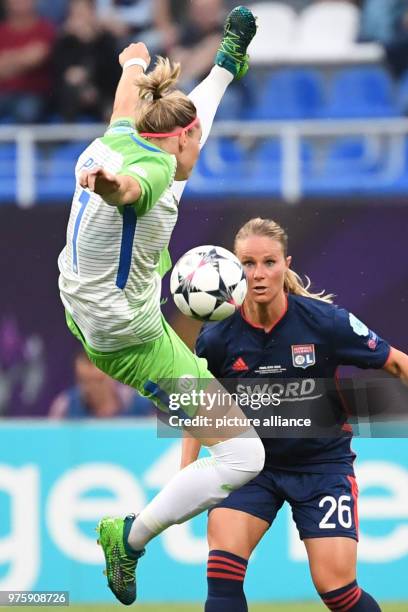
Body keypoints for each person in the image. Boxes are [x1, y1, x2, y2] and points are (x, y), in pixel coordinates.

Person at [57, 6, 265, 606]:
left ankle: (227, 63)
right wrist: (104, 184)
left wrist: (133, 61)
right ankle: (127, 536)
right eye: (194, 139)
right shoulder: (147, 175)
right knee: (244, 454)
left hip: (85, 300)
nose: (198, 145)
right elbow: (131, 188)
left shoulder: (126, 133)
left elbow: (129, 102)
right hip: (128, 339)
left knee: (172, 187)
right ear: (180, 139)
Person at [183, 217, 408, 612]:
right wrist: (187, 473)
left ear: (286, 264)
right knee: (222, 575)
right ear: (235, 269)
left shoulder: (327, 323)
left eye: (269, 262)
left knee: (338, 592)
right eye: (248, 264)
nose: (258, 274)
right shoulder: (218, 336)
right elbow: (200, 405)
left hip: (322, 466)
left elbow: (396, 363)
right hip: (250, 466)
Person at [53, 0, 121, 123]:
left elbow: (112, 71)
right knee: (70, 89)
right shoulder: (64, 41)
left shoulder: (105, 39)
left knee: (111, 107)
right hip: (73, 94)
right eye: (76, 14)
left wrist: (91, 40)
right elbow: (59, 70)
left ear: (92, 14)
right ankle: (66, 134)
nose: (80, 19)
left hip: (102, 91)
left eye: (83, 13)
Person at [48, 350, 154, 418]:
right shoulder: (65, 406)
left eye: (98, 380)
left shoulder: (139, 403)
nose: (92, 388)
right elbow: (52, 444)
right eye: (84, 381)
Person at [0, 0, 56, 123]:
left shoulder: (45, 29)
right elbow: (29, 59)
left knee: (27, 111)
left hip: (34, 94)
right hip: (3, 93)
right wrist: (24, 56)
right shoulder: (2, 31)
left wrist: (7, 59)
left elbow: (36, 58)